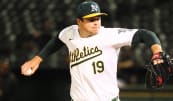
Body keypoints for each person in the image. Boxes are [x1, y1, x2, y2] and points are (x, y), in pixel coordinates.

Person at [21, 0, 164, 101]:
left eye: (98, 18)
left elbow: (146, 34)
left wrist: (157, 52)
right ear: (79, 22)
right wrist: (37, 59)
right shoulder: (69, 33)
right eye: (90, 19)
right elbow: (57, 40)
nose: (96, 22)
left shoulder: (110, 35)